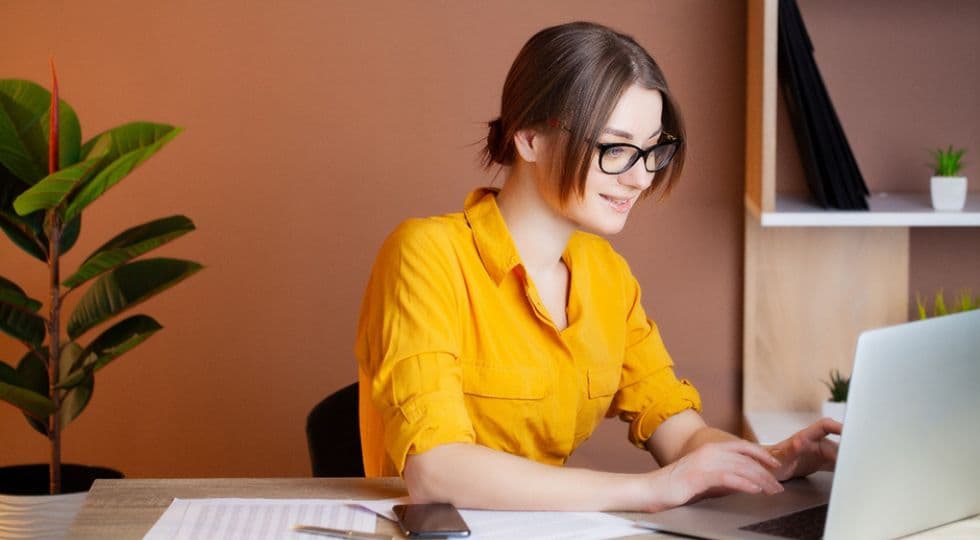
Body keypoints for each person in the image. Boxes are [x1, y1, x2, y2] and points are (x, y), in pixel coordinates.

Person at [354, 21, 839, 512]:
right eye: (617, 148)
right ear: (529, 138)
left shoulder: (606, 275)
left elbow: (679, 433)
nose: (641, 176)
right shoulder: (424, 255)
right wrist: (648, 490)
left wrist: (771, 462)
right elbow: (436, 471)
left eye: (652, 150)